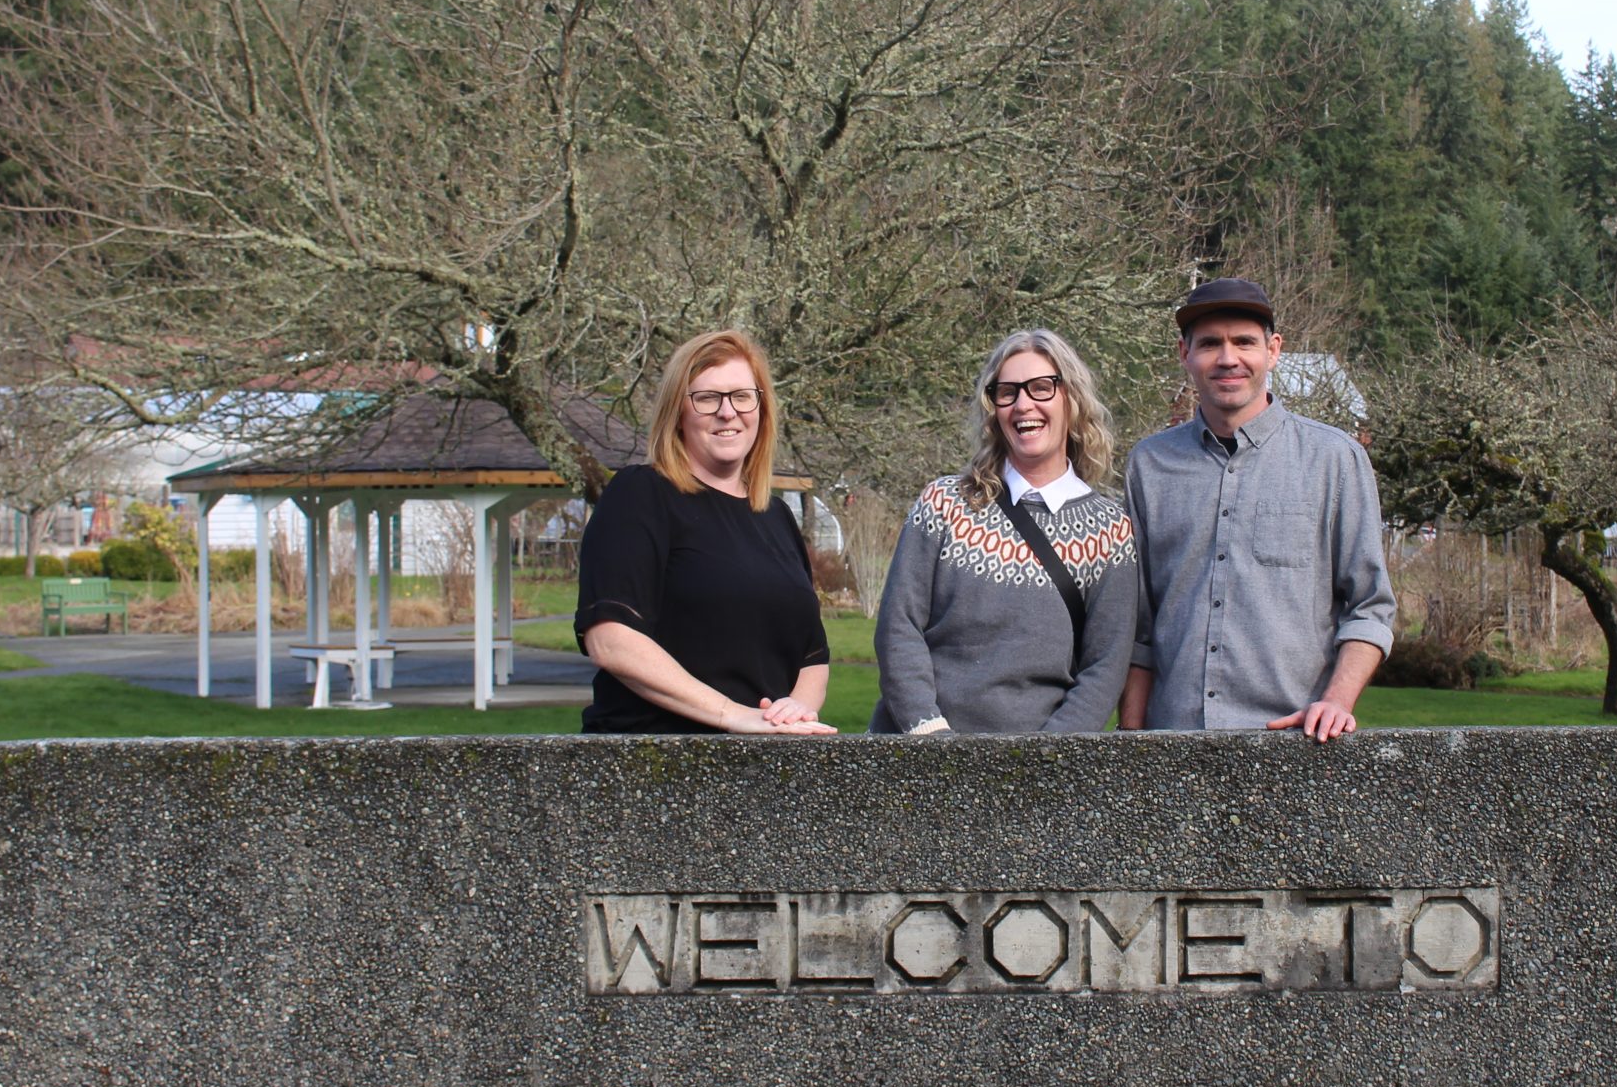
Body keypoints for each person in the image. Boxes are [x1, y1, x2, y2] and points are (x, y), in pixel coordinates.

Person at [1118, 278, 1396, 741]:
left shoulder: (1335, 460)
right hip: (1172, 740)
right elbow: (1139, 625)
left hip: (1296, 742)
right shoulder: (1149, 465)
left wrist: (1336, 701)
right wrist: (1132, 736)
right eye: (1210, 344)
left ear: (1273, 350)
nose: (1228, 358)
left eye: (1243, 342)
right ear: (1184, 355)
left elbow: (1370, 606)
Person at [871, 329, 1138, 734]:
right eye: (1007, 392)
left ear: (1072, 398)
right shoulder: (944, 503)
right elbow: (898, 627)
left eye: (1041, 388)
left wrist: (1045, 759)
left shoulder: (1109, 530)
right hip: (918, 755)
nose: (1023, 404)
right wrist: (930, 735)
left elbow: (1105, 665)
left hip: (1036, 772)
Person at [576, 329, 834, 734]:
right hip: (653, 762)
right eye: (707, 397)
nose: (727, 412)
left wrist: (793, 714)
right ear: (677, 412)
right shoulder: (640, 495)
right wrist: (730, 714)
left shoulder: (777, 517)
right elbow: (611, 638)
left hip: (766, 763)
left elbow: (813, 655)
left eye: (741, 396)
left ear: (761, 409)